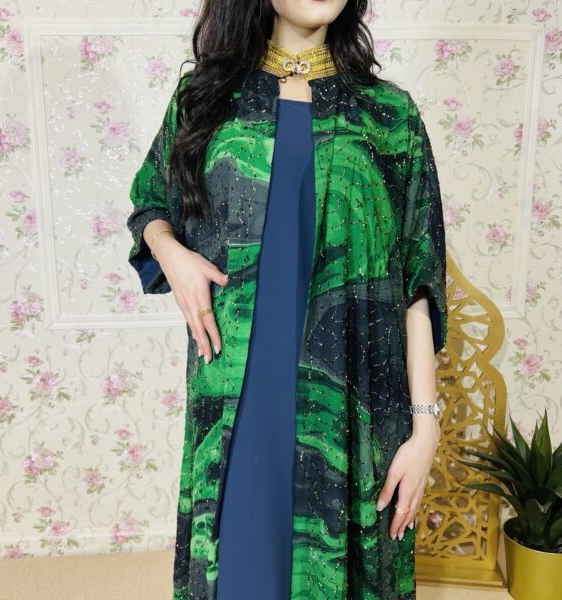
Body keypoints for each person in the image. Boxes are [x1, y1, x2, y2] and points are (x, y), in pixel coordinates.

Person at [126, 1, 449, 598]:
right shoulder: (204, 101)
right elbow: (151, 203)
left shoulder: (389, 115)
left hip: (349, 403)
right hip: (239, 395)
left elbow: (418, 281)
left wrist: (425, 428)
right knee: (240, 571)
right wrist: (171, 252)